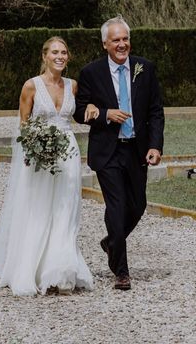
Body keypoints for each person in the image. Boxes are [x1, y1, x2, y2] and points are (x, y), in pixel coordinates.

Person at [0, 36, 93, 296]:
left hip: (69, 154)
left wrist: (93, 107)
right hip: (40, 158)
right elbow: (24, 124)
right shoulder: (31, 86)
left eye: (64, 52)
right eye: (54, 52)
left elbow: (81, 111)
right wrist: (37, 147)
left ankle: (61, 270)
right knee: (39, 210)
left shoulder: (73, 86)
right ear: (45, 56)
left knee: (66, 209)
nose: (60, 56)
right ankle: (31, 269)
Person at [74, 16, 165, 291]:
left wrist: (155, 145)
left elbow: (155, 111)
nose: (122, 44)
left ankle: (111, 242)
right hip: (108, 152)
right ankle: (121, 272)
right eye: (116, 40)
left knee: (137, 205)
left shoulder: (144, 68)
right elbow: (79, 111)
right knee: (116, 206)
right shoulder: (91, 73)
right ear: (105, 44)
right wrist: (105, 114)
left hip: (137, 149)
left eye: (125, 39)